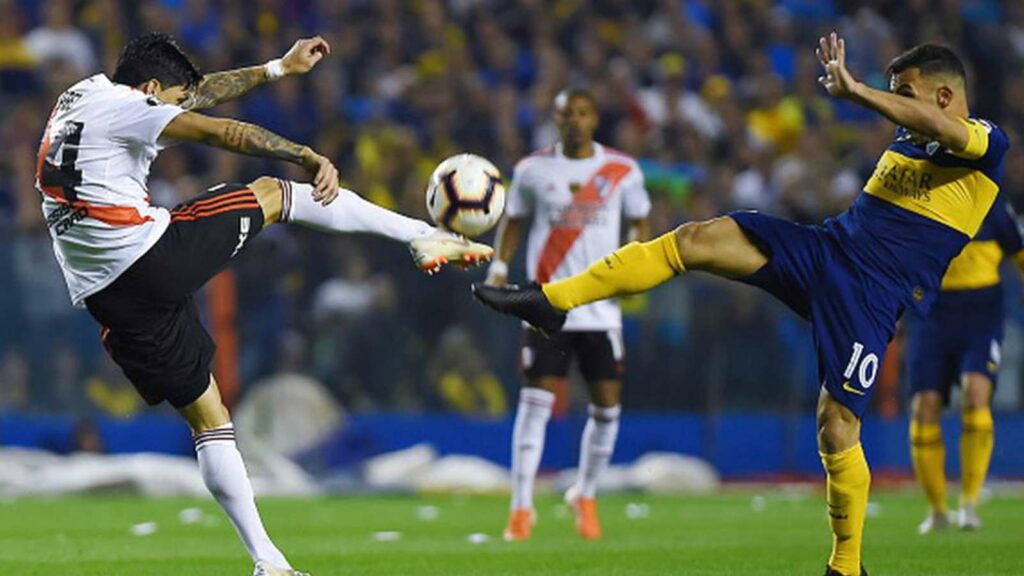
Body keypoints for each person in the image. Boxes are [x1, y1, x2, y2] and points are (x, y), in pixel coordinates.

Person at [473, 36, 1008, 576]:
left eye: (905, 94)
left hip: (871, 294)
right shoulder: (912, 140)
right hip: (825, 249)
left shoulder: (986, 143)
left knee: (836, 425)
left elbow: (944, 130)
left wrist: (859, 91)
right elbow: (919, 133)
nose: (897, 107)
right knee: (695, 239)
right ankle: (552, 300)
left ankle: (846, 567)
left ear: (944, 97)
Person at [36, 33, 491, 576]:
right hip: (150, 256)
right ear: (151, 88)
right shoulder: (133, 109)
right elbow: (221, 131)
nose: (181, 110)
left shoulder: (80, 97)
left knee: (209, 418)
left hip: (109, 297)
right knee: (278, 192)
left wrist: (277, 69)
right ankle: (420, 235)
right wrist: (305, 155)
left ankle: (268, 561)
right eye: (175, 101)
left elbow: (200, 95)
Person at [484, 88, 650, 541]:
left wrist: (635, 264)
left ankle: (586, 494)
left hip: (601, 309)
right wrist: (499, 268)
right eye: (566, 114)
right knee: (534, 404)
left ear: (594, 118)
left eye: (582, 112)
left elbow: (641, 221)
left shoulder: (623, 170)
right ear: (555, 120)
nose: (574, 120)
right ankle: (521, 507)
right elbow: (514, 220)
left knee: (607, 409)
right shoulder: (532, 170)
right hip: (547, 305)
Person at [905, 198, 1023, 534]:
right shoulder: (923, 200)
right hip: (931, 315)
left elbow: (1018, 250)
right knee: (924, 405)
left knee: (975, 394)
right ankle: (937, 510)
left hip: (981, 316)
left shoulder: (992, 205)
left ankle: (969, 502)